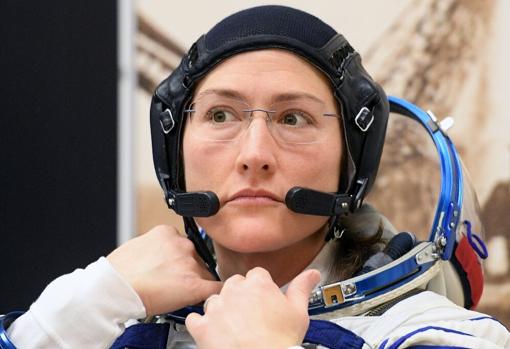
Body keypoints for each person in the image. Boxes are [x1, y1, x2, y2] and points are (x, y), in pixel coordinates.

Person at [1, 5, 509, 349]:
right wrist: (86, 304)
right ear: (176, 149)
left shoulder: (436, 335)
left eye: (294, 119)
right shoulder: (105, 316)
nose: (255, 154)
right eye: (221, 115)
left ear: (350, 165)